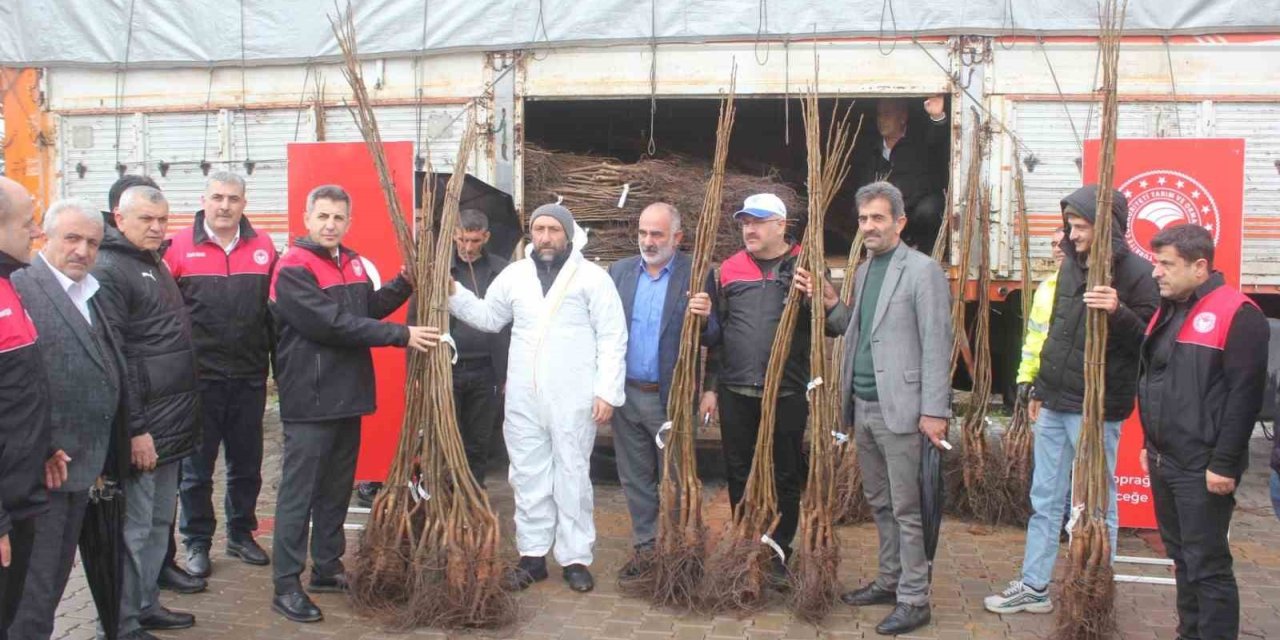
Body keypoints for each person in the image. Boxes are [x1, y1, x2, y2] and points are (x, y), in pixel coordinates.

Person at [985, 185, 1159, 615]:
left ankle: (1094, 586)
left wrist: (1118, 311)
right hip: (1055, 401)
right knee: (1045, 497)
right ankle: (1034, 585)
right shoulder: (1070, 267)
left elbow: (1152, 345)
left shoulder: (1139, 274)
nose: (1073, 234)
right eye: (1071, 226)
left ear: (1107, 227)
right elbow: (1056, 334)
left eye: (1081, 226)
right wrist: (1038, 389)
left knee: (1097, 502)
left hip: (1097, 408)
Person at [268, 185, 439, 623]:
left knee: (336, 488)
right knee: (298, 494)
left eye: (338, 218)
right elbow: (331, 325)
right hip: (310, 398)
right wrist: (401, 336)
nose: (330, 225)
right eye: (323, 216)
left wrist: (402, 283)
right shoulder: (293, 267)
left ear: (348, 221)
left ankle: (327, 567)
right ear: (307, 218)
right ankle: (286, 584)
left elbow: (368, 310)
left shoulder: (354, 262)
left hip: (348, 395)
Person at [799, 181, 952, 636]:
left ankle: (914, 599)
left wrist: (935, 412)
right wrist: (832, 303)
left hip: (902, 409)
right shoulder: (864, 271)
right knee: (880, 503)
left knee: (907, 508)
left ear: (899, 222)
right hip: (863, 405)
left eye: (878, 218)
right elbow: (855, 329)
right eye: (864, 219)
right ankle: (889, 581)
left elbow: (936, 344)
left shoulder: (923, 271)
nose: (869, 226)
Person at [449, 203, 627, 594]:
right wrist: (454, 293)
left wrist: (607, 391)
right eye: (539, 229)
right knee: (528, 476)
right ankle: (532, 557)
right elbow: (489, 317)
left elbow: (612, 336)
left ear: (568, 233)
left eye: (553, 230)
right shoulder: (515, 276)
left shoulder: (592, 278)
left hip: (573, 396)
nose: (545, 237)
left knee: (572, 475)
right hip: (524, 396)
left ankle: (575, 558)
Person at [704, 193, 849, 584]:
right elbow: (719, 334)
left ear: (781, 225)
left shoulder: (806, 266)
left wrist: (822, 298)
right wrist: (711, 386)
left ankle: (778, 552)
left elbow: (836, 326)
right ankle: (746, 544)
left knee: (785, 474)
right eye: (745, 222)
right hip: (736, 389)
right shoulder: (729, 269)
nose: (749, 229)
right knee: (738, 471)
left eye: (758, 222)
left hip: (785, 391)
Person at [1137, 224, 1268, 640]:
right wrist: (1148, 443)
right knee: (1181, 558)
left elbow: (1244, 397)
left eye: (1166, 264)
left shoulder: (1238, 313)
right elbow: (1157, 380)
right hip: (1165, 457)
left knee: (1207, 565)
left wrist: (1224, 463)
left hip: (1203, 464)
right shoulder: (1168, 309)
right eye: (1156, 262)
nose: (1156, 272)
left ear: (1199, 266)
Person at [9, 200, 126, 640]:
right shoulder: (22, 288)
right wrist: (41, 447)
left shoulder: (89, 290)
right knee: (31, 598)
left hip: (80, 467)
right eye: (72, 239)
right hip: (42, 471)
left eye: (92, 243)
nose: (83, 250)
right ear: (45, 236)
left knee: (53, 586)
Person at [94, 186, 203, 638]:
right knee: (134, 530)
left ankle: (145, 604)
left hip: (171, 423)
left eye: (162, 219)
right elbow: (115, 357)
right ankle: (120, 624)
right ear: (119, 219)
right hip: (144, 431)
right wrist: (135, 429)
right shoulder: (109, 269)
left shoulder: (153, 262)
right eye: (146, 220)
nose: (157, 228)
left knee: (159, 523)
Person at [163, 172, 276, 578]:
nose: (225, 205)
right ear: (204, 200)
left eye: (233, 198)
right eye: (217, 197)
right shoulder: (177, 247)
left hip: (249, 376)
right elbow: (164, 316)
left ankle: (241, 534)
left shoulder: (264, 247)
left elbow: (273, 314)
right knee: (197, 471)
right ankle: (197, 542)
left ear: (244, 203)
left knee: (247, 465)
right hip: (199, 380)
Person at [606, 202, 717, 578]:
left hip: (671, 397)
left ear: (677, 237)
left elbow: (717, 337)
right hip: (626, 395)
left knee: (676, 477)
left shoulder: (697, 273)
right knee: (635, 477)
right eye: (643, 233)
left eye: (657, 234)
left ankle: (678, 548)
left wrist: (706, 317)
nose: (648, 241)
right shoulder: (620, 272)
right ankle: (645, 549)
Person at [0, 177, 51, 640]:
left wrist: (44, 447)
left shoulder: (10, 284)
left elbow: (18, 391)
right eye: (27, 222)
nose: (37, 232)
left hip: (21, 495)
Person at [448, 209, 512, 486]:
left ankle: (474, 491)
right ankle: (448, 492)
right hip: (447, 367)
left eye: (474, 240)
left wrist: (508, 371)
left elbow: (512, 324)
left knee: (479, 437)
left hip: (487, 368)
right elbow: (416, 318)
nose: (468, 247)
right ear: (453, 235)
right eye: (462, 239)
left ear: (486, 237)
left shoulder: (502, 270)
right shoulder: (440, 270)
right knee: (448, 434)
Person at [852, 97, 949, 250]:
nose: (882, 120)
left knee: (928, 210)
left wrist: (937, 116)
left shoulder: (919, 142)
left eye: (887, 114)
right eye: (879, 115)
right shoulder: (872, 149)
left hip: (913, 210)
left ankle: (923, 250)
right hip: (886, 212)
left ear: (903, 117)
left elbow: (939, 140)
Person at [1015, 228, 1067, 402]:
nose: (1057, 249)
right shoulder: (1045, 288)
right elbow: (1034, 338)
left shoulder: (1088, 286)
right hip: (1045, 381)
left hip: (1073, 385)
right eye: (1054, 244)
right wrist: (1026, 377)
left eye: (1063, 244)